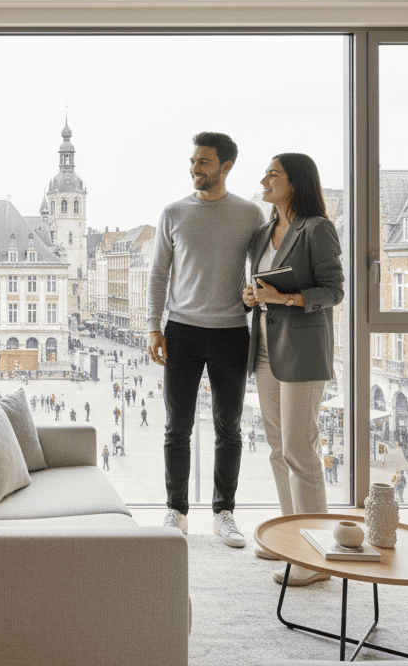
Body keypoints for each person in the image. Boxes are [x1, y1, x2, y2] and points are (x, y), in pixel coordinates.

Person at [148, 131, 265, 548]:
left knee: (228, 428)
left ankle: (224, 513)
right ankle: (176, 511)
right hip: (181, 331)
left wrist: (253, 294)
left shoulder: (251, 215)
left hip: (232, 331)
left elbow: (261, 269)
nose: (195, 168)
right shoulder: (173, 212)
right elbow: (159, 274)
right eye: (193, 161)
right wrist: (153, 327)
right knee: (176, 427)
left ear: (225, 166)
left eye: (203, 162)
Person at [244, 153, 344, 585]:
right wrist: (252, 296)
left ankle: (314, 558)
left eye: (273, 174)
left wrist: (285, 298)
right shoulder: (264, 232)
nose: (264, 179)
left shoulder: (317, 228)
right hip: (266, 347)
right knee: (277, 449)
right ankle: (290, 542)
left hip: (302, 349)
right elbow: (259, 286)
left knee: (300, 451)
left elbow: (334, 290)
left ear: (295, 182)